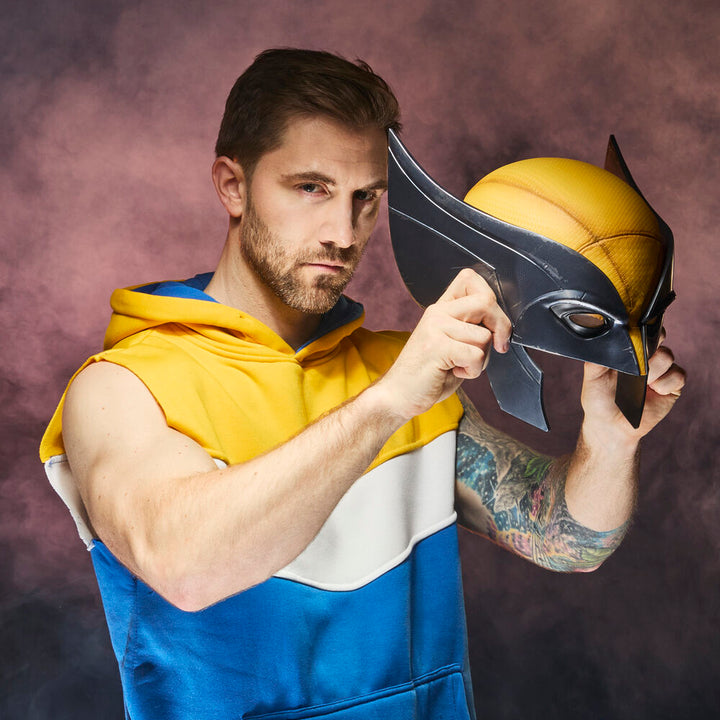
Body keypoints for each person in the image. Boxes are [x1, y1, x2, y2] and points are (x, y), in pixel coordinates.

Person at [40, 48, 685, 719]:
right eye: (310, 188)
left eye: (365, 198)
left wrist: (610, 440)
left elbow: (565, 541)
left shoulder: (400, 371)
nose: (343, 233)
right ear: (233, 186)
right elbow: (185, 569)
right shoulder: (120, 388)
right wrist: (387, 404)